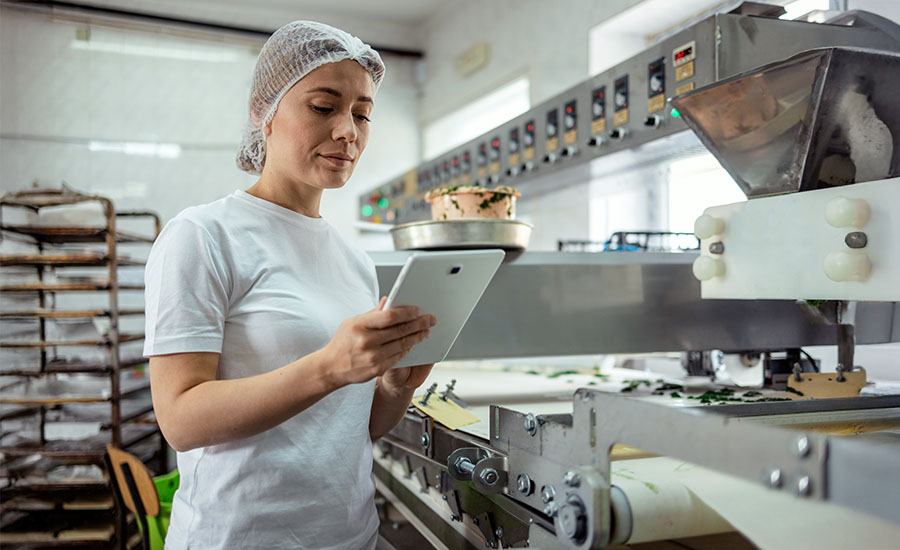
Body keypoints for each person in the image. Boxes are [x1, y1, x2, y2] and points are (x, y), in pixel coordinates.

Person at [144, 21, 436, 550]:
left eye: (362, 113)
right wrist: (327, 367)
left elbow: (354, 428)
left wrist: (395, 388)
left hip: (351, 537)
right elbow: (180, 419)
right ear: (264, 111)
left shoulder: (353, 259)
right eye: (324, 107)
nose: (349, 130)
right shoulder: (203, 235)